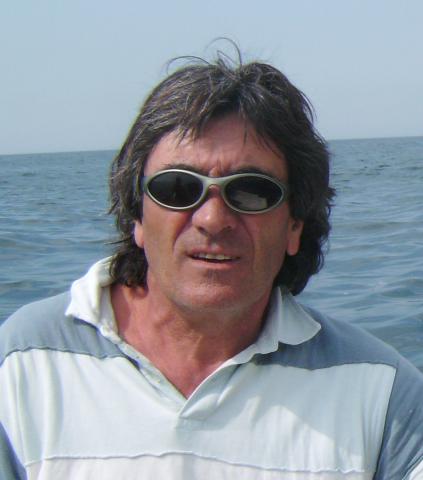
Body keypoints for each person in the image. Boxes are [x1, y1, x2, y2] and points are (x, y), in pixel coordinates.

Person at [1, 51, 423, 480]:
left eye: (252, 191)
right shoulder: (20, 364)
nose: (212, 219)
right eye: (177, 188)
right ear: (136, 217)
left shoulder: (384, 396)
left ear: (295, 225)